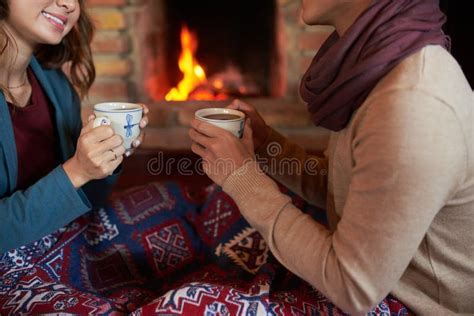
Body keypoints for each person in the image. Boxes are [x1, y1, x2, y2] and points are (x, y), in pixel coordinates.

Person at [189, 0, 474, 314]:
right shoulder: (376, 64)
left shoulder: (411, 105)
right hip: (373, 279)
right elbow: (344, 188)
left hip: (406, 303)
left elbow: (352, 287)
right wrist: (265, 144)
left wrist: (241, 177)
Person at [0, 0, 148, 253]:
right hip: (13, 267)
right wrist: (76, 171)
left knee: (183, 202)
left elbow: (85, 200)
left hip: (64, 240)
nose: (69, 4)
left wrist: (107, 157)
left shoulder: (54, 84)